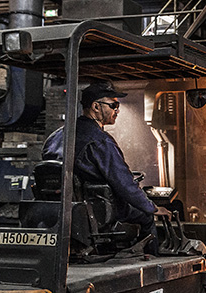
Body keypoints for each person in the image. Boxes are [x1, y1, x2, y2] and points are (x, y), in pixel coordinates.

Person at [42, 81, 171, 255]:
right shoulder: (100, 141)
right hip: (97, 210)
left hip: (61, 209)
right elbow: (124, 184)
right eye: (113, 105)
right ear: (96, 106)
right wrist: (152, 208)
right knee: (145, 216)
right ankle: (153, 262)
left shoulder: (55, 137)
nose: (117, 110)